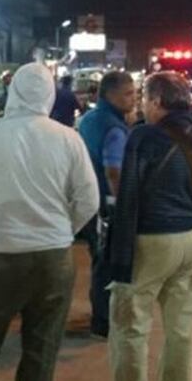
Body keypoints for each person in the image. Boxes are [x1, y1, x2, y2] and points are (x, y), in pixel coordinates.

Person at [0, 63, 99, 381]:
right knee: (40, 356)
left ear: (12, 91)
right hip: (53, 260)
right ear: (50, 95)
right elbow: (89, 200)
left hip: (0, 253)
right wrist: (62, 231)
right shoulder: (69, 138)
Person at [108, 71, 192, 381]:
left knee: (131, 327)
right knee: (182, 330)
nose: (141, 106)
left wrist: (118, 257)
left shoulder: (143, 136)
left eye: (143, 99)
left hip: (152, 240)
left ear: (156, 101)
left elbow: (129, 195)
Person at [77, 70, 136, 339]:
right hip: (107, 205)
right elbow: (114, 171)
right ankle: (103, 322)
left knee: (98, 260)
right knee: (108, 265)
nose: (134, 99)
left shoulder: (88, 119)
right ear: (110, 95)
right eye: (129, 93)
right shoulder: (114, 127)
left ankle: (98, 317)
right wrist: (122, 204)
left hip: (88, 200)